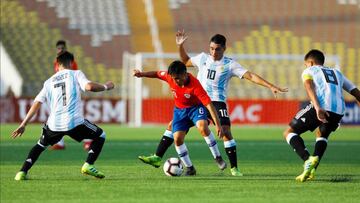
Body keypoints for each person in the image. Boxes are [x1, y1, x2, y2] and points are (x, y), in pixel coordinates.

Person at [139, 31, 288, 176]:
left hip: (217, 102)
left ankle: (234, 168)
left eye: (217, 49)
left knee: (225, 132)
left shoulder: (230, 64)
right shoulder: (203, 58)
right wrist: (180, 46)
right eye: (211, 48)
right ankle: (158, 157)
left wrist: (270, 86)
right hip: (197, 101)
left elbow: (250, 76)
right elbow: (185, 61)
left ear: (224, 48)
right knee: (173, 126)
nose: (213, 52)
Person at [12, 51, 114, 180]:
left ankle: (21, 172)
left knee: (40, 145)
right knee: (100, 135)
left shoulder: (48, 82)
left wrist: (23, 124)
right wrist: (106, 86)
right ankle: (88, 165)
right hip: (74, 122)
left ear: (57, 64)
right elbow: (89, 87)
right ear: (71, 63)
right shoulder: (75, 74)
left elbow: (37, 103)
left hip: (54, 124)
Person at [134, 60, 227, 176]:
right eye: (173, 78)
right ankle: (190, 168)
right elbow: (157, 74)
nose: (175, 81)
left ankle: (217, 157)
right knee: (177, 138)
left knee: (202, 127)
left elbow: (209, 104)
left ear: (185, 74)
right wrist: (141, 74)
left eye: (177, 78)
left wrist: (218, 125)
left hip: (196, 109)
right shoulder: (170, 77)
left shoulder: (195, 85)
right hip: (180, 111)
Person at [283, 49, 360, 182]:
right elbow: (356, 93)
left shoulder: (309, 71)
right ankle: (311, 170)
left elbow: (308, 86)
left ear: (311, 62)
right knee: (321, 134)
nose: (305, 67)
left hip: (322, 106)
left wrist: (317, 107)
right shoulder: (337, 73)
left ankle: (307, 160)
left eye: (306, 64)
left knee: (289, 132)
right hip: (339, 111)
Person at [51, 40, 92, 150]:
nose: (60, 49)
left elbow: (74, 77)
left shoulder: (71, 62)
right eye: (58, 48)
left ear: (65, 48)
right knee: (60, 116)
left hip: (71, 93)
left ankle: (88, 139)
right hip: (61, 93)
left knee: (74, 118)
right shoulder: (56, 61)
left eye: (62, 48)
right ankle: (60, 143)